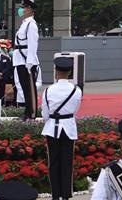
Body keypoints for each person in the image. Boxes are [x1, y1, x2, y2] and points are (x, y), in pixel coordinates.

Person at [41, 56, 82, 200]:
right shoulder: (76, 91)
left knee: (54, 163)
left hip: (52, 128)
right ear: (70, 72)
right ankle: (66, 195)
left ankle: (55, 195)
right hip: (68, 128)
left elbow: (45, 115)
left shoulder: (48, 90)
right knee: (67, 163)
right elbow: (75, 111)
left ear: (56, 72)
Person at [12, 0, 40, 120]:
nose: (21, 10)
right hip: (19, 60)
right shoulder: (24, 24)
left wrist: (30, 61)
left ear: (29, 10)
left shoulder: (31, 25)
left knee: (30, 88)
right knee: (24, 87)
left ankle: (32, 113)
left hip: (26, 61)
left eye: (24, 8)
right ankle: (27, 112)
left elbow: (33, 44)